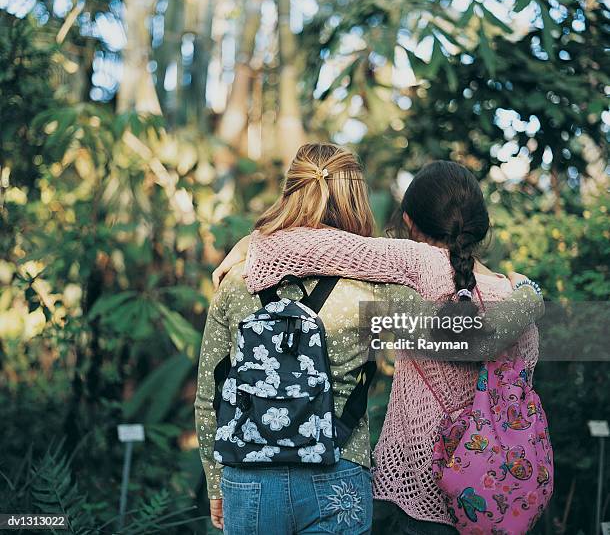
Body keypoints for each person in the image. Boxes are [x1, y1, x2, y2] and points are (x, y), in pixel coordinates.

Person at [197, 144, 543, 534]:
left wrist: (253, 243)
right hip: (345, 470)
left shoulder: (236, 283)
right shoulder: (373, 289)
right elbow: (471, 339)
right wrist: (530, 294)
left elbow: (212, 390)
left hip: (249, 474)